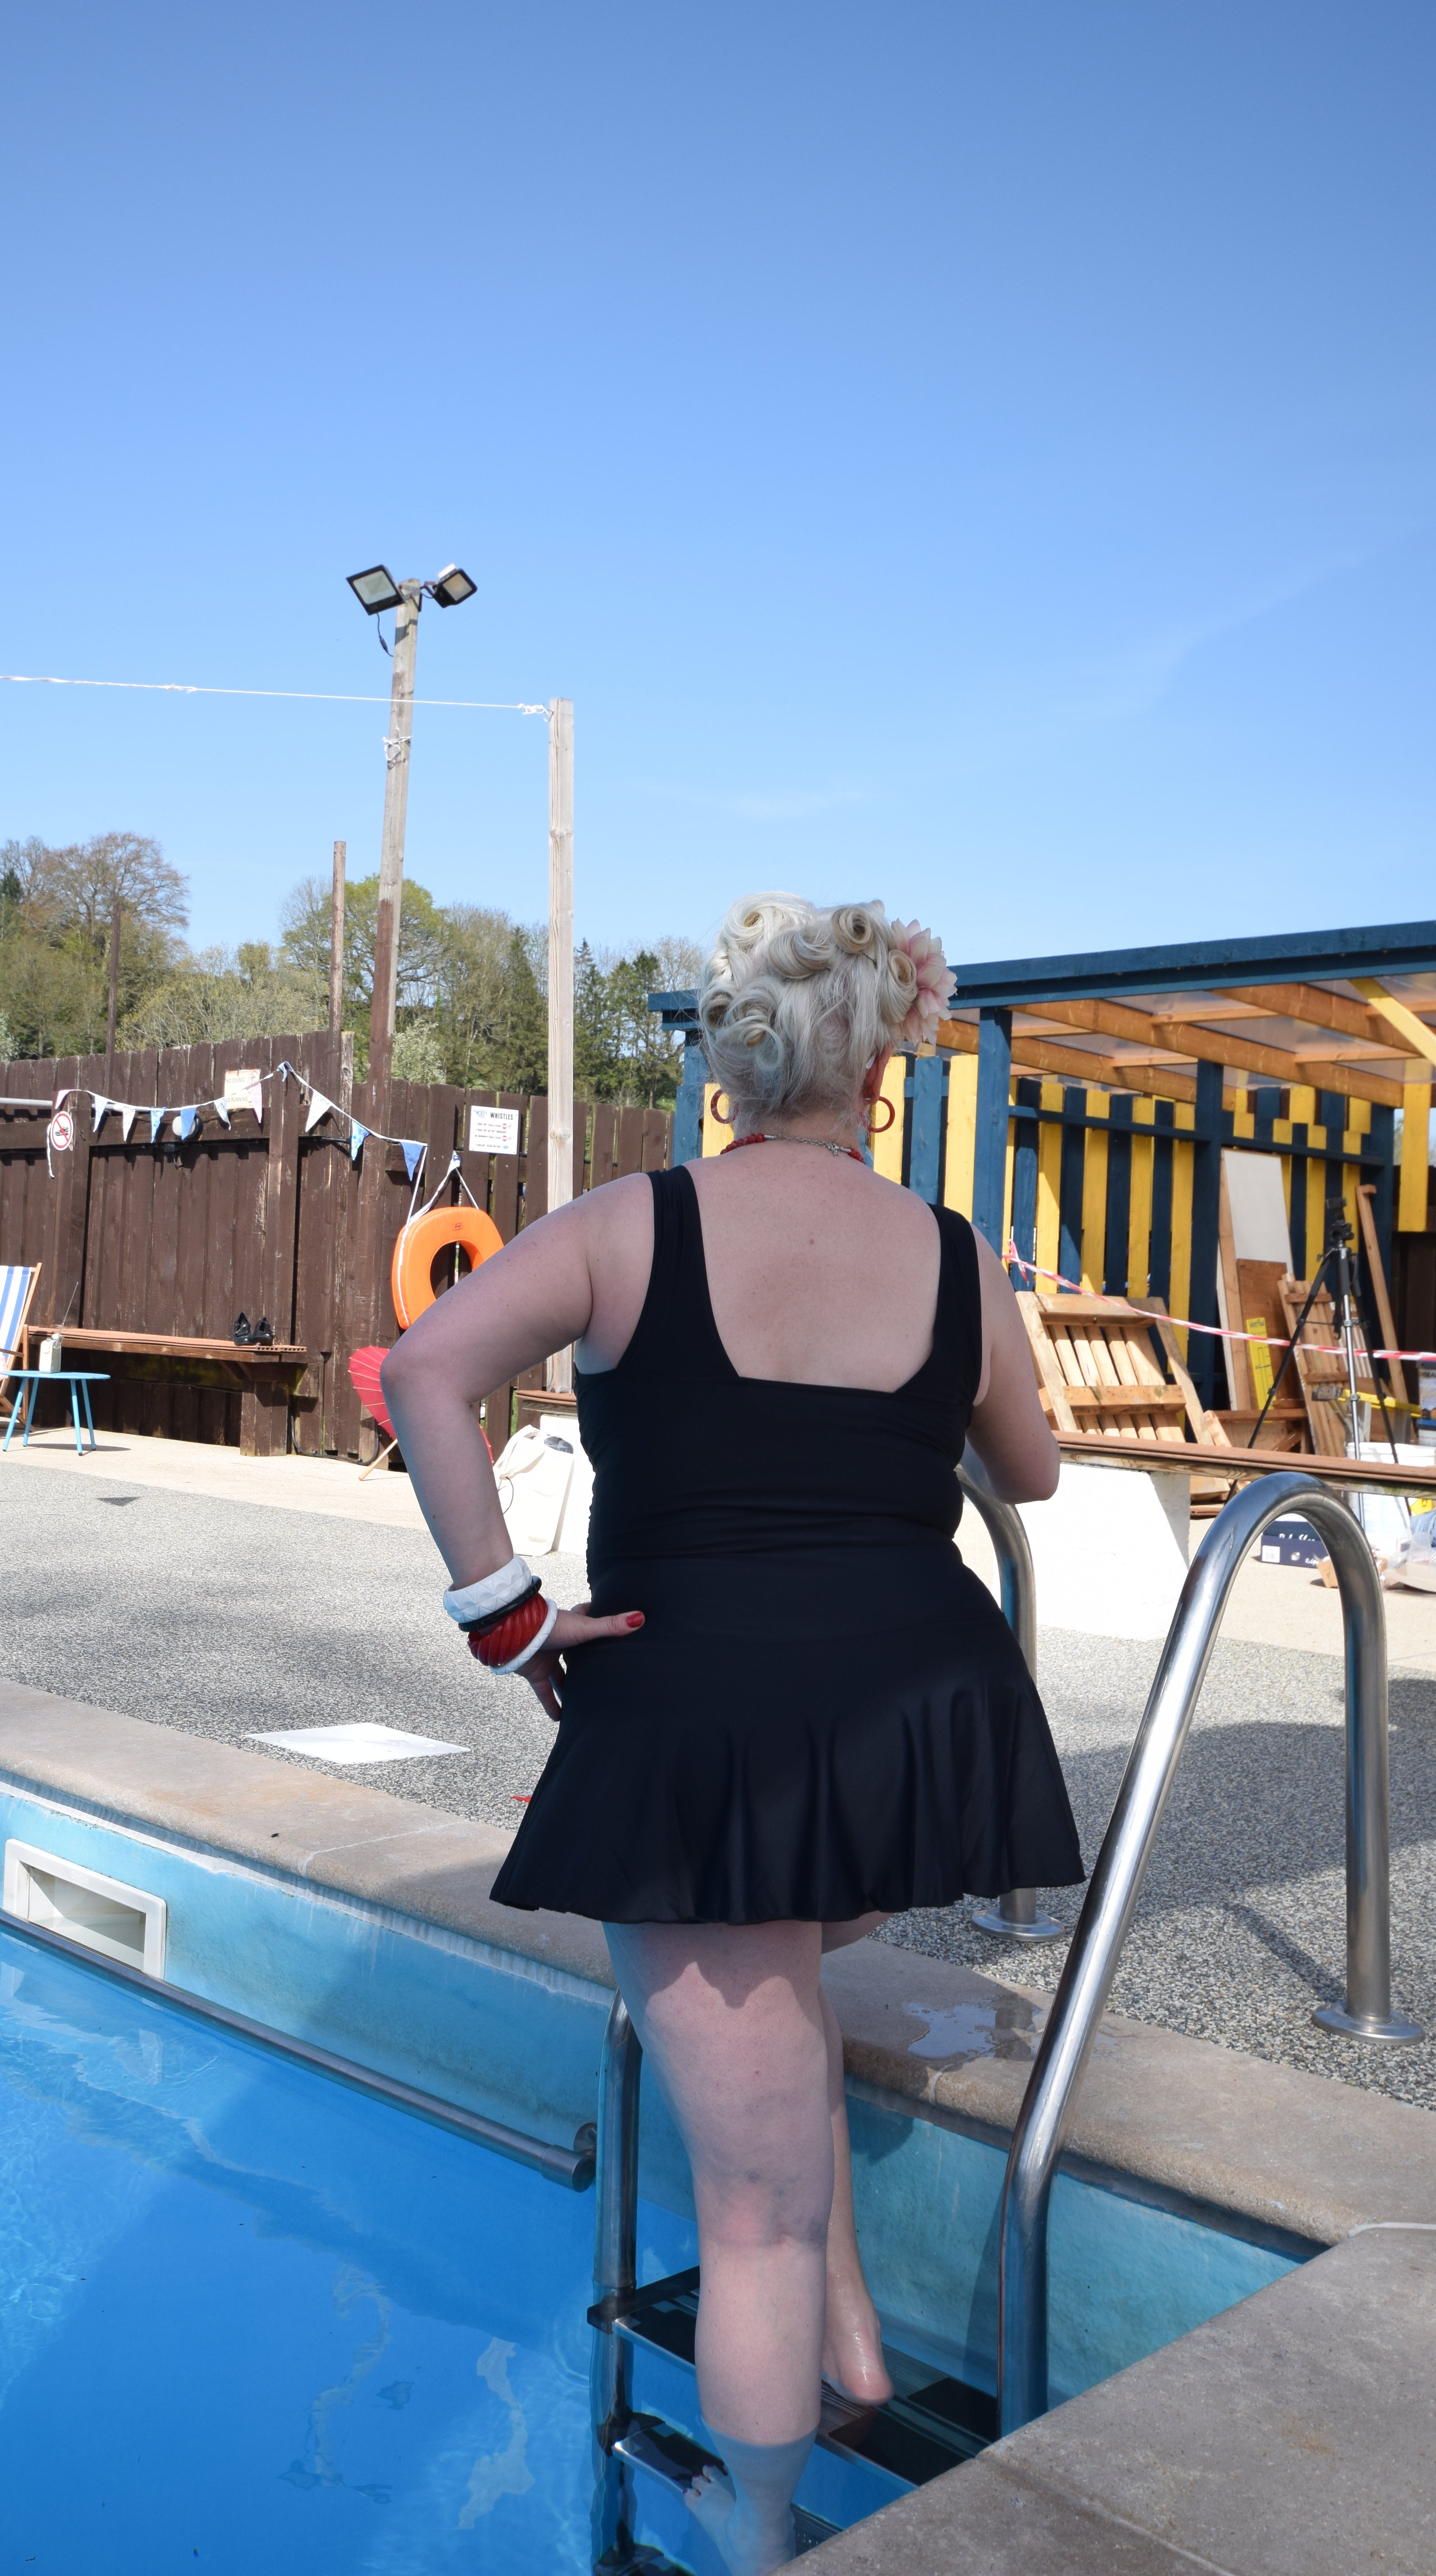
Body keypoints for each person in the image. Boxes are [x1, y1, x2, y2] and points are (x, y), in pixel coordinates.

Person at [382, 894, 1083, 2576]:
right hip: (914, 1726)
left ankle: (759, 2534)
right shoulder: (953, 1253)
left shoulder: (631, 1224)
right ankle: (857, 2355)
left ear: (731, 1068)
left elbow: (423, 1374)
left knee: (749, 2211)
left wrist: (506, 1612)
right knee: (784, 2014)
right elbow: (1034, 1472)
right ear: (881, 1073)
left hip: (705, 1736)